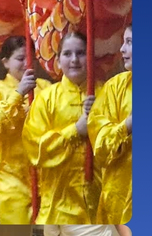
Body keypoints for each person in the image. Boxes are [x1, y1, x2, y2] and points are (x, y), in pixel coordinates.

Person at [23, 31, 102, 223]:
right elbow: (35, 148)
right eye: (67, 54)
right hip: (58, 207)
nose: (74, 59)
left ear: (90, 57)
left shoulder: (105, 93)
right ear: (57, 60)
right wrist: (76, 131)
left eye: (81, 53)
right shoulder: (47, 98)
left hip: (100, 206)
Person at [0, 37, 52, 223]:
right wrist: (19, 94)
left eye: (31, 57)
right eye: (20, 58)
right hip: (9, 176)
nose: (28, 63)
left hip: (47, 176)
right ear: (5, 62)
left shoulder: (47, 88)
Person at [88, 25, 132, 222]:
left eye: (129, 43)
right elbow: (100, 146)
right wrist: (128, 125)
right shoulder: (114, 88)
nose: (122, 49)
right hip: (119, 197)